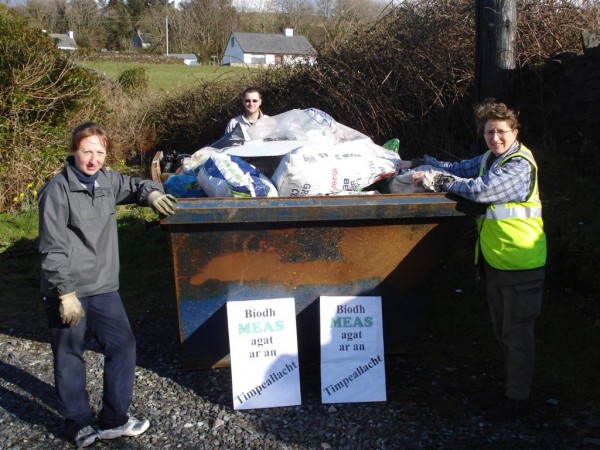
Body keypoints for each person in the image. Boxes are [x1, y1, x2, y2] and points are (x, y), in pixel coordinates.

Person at [405, 100, 547, 420]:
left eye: (500, 132)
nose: (494, 138)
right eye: (488, 132)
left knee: (517, 333)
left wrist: (438, 182)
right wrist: (420, 164)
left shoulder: (519, 165)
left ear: (515, 132)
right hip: (497, 260)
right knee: (502, 331)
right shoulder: (490, 158)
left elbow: (483, 191)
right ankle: (512, 390)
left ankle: (518, 400)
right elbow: (459, 169)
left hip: (521, 263)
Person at [38, 122, 177, 447]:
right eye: (87, 151)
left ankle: (114, 419)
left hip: (103, 287)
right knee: (70, 354)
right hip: (68, 291)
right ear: (74, 151)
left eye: (100, 152)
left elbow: (132, 184)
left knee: (123, 346)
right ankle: (78, 423)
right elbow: (51, 247)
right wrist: (64, 292)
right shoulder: (57, 190)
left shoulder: (106, 181)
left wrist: (152, 193)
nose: (93, 159)